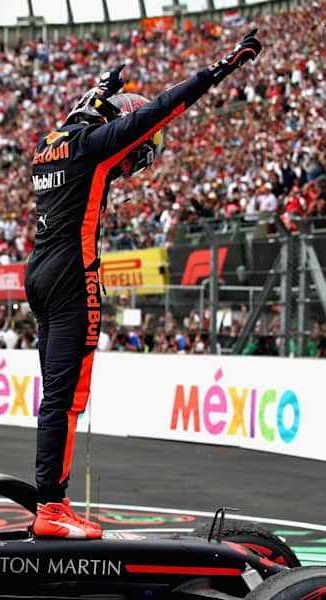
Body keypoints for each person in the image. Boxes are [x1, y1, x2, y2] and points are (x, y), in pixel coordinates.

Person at [25, 29, 262, 539]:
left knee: (53, 396)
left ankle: (50, 498)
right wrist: (218, 70)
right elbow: (161, 110)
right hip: (72, 275)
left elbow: (82, 114)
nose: (134, 164)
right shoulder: (93, 148)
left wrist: (99, 90)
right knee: (66, 398)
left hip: (38, 272)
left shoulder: (52, 143)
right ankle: (52, 507)